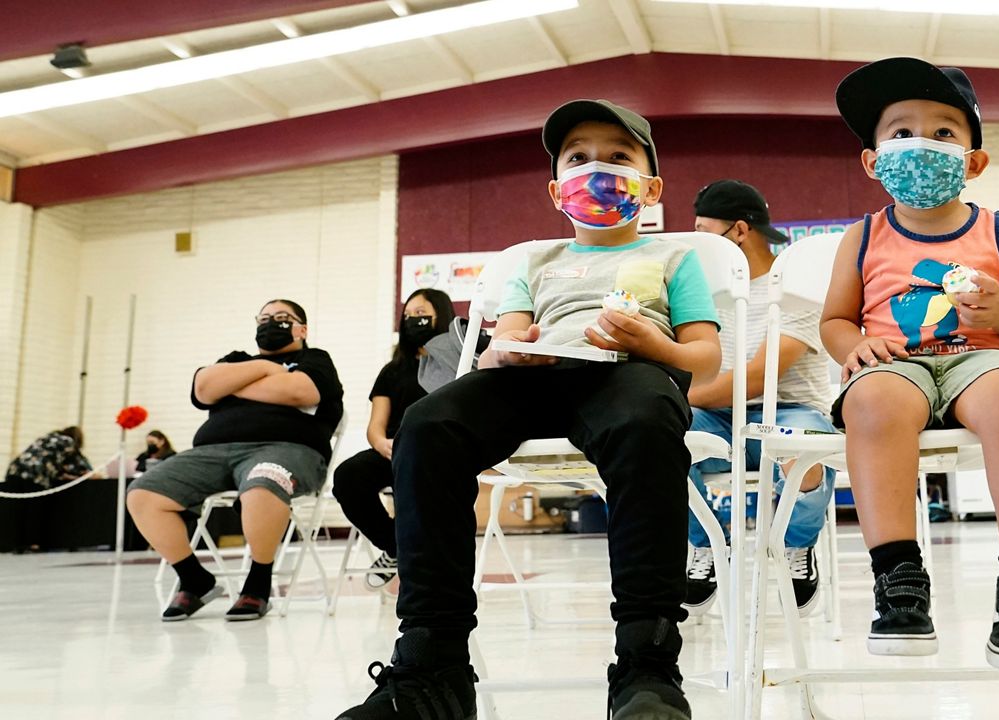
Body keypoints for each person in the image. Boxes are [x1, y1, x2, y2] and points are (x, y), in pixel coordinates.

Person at [336, 99, 721, 720]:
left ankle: (646, 662)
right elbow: (508, 340)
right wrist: (508, 354)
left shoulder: (674, 261)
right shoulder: (532, 262)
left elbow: (704, 357)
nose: (597, 169)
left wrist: (653, 344)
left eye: (618, 157)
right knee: (429, 424)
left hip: (627, 373)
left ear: (651, 187)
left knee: (648, 418)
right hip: (534, 379)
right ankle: (431, 667)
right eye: (579, 158)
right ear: (555, 189)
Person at [821, 57, 999, 671]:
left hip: (980, 357)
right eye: (900, 132)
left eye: (943, 132)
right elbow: (835, 319)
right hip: (894, 362)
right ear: (873, 161)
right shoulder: (863, 236)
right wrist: (853, 347)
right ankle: (897, 578)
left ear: (974, 161)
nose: (920, 144)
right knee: (871, 402)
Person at [127, 299, 344, 622]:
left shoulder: (315, 359)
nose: (271, 322)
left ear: (303, 329)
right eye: (265, 317)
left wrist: (234, 386)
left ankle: (258, 584)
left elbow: (301, 392)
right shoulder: (236, 359)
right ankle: (194, 579)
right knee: (143, 493)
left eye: (282, 317)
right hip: (211, 453)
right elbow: (203, 388)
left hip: (287, 449)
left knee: (263, 484)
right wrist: (268, 370)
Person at [684, 179, 835, 617]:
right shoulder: (706, 295)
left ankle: (796, 548)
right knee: (659, 435)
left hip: (788, 410)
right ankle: (705, 544)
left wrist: (684, 395)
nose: (696, 241)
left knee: (803, 448)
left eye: (701, 228)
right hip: (718, 418)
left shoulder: (794, 289)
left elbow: (758, 378)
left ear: (738, 231)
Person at [332, 288, 455, 589]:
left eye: (421, 313)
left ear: (441, 316)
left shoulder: (458, 364)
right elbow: (376, 426)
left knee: (418, 480)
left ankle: (417, 559)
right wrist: (382, 444)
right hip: (395, 450)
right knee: (348, 476)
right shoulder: (393, 370)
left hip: (442, 452)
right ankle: (398, 548)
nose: (413, 319)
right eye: (408, 314)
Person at [1, 426, 93, 552]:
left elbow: (53, 463)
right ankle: (33, 544)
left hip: (15, 470)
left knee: (16, 509)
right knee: (34, 509)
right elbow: (81, 467)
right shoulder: (68, 442)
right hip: (36, 474)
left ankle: (12, 543)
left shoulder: (46, 438)